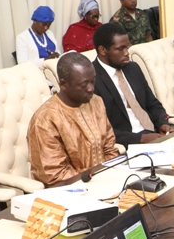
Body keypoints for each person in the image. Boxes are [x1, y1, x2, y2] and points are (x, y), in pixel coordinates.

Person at [27, 53, 119, 185]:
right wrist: (97, 180)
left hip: (105, 180)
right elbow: (55, 176)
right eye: (83, 85)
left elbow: (109, 148)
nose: (91, 88)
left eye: (93, 81)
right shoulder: (45, 120)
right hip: (70, 191)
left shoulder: (96, 102)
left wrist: (113, 176)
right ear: (63, 84)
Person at [92, 23, 173, 146]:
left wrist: (163, 123)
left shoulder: (132, 68)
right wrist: (140, 139)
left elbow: (152, 103)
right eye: (121, 49)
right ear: (102, 50)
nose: (126, 53)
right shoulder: (91, 79)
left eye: (127, 47)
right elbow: (99, 128)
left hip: (154, 135)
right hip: (127, 143)